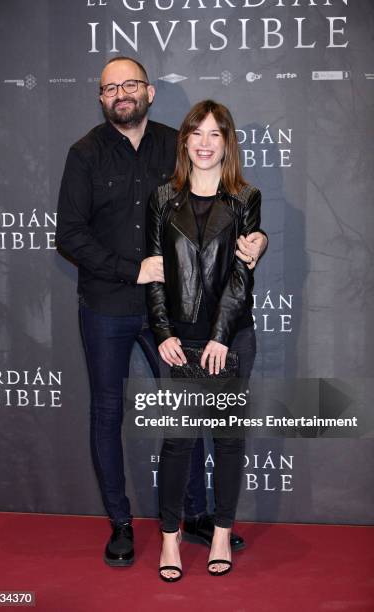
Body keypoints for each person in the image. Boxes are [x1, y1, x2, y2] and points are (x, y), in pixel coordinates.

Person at [56, 57, 267, 568]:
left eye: (130, 84)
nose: (121, 94)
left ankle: (194, 515)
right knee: (107, 414)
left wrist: (257, 238)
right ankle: (121, 524)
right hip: (106, 305)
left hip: (171, 315)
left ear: (149, 91)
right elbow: (70, 235)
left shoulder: (179, 144)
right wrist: (134, 270)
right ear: (101, 97)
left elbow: (224, 209)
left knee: (188, 415)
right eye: (110, 88)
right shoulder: (84, 153)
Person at [147, 100, 262, 581]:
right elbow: (153, 272)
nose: (205, 143)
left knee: (229, 441)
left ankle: (220, 532)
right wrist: (163, 333)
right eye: (197, 133)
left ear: (227, 142)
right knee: (177, 442)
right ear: (185, 141)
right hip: (180, 343)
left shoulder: (245, 199)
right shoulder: (161, 199)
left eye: (216, 134)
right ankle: (170, 540)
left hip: (231, 342)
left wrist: (219, 338)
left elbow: (241, 274)